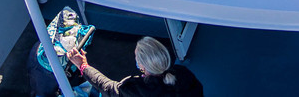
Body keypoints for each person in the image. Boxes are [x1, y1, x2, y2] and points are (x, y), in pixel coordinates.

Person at [68, 36, 204, 97]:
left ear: (141, 65)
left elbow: (108, 87)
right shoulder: (184, 75)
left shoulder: (135, 89)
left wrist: (83, 65)